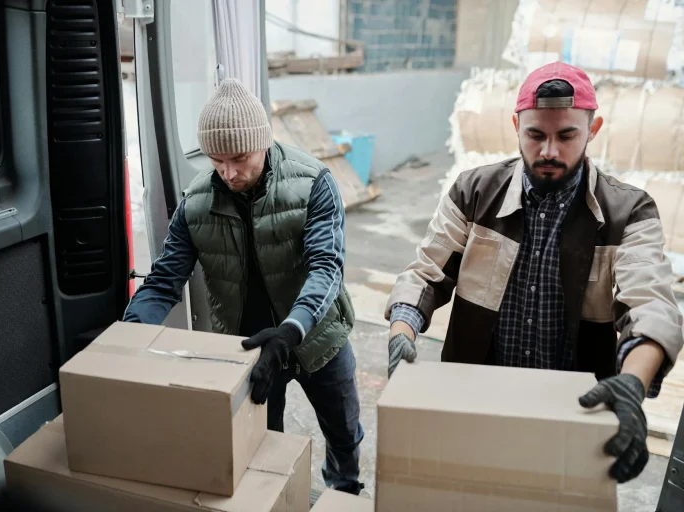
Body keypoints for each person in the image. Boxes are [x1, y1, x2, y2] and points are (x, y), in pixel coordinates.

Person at [385, 62, 684, 484]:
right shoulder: (474, 192)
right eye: (535, 134)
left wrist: (632, 384)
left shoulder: (628, 212)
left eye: (566, 136)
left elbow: (651, 303)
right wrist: (402, 331)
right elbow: (426, 271)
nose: (548, 151)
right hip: (476, 397)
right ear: (516, 125)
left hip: (575, 409)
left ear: (593, 129)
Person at [123, 78, 364, 495]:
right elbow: (163, 282)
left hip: (316, 335)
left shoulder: (313, 183)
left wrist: (292, 331)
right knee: (259, 446)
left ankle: (344, 495)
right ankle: (273, 500)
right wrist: (127, 338)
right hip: (250, 349)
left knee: (343, 432)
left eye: (239, 158)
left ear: (264, 142)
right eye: (216, 160)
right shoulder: (196, 202)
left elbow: (326, 268)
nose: (228, 173)